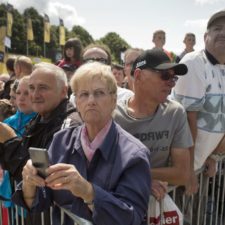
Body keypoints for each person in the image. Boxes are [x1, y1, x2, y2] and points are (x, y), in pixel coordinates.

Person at [12, 62, 151, 225]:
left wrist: (88, 191)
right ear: (76, 102)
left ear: (114, 100)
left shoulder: (134, 154)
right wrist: (29, 182)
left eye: (99, 93)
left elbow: (132, 218)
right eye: (83, 94)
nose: (91, 101)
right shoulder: (61, 140)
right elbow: (40, 201)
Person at [0, 62, 82, 225]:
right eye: (32, 87)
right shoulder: (41, 117)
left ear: (64, 91)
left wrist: (9, 139)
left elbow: (43, 175)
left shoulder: (69, 124)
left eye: (43, 87)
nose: (35, 94)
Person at [114, 49, 193, 200]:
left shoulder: (175, 113)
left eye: (173, 78)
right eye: (164, 75)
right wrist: (141, 180)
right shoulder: (113, 115)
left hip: (157, 206)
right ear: (138, 75)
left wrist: (137, 175)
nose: (171, 83)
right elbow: (103, 169)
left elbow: (183, 174)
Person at [172, 9, 225, 190]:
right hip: (179, 170)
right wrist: (187, 172)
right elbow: (187, 120)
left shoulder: (222, 68)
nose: (223, 33)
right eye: (217, 28)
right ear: (205, 37)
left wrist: (212, 156)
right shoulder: (194, 62)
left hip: (199, 164)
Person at [69, 43, 134, 106]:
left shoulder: (125, 96)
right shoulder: (74, 98)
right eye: (89, 61)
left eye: (101, 60)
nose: (95, 64)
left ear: (109, 66)